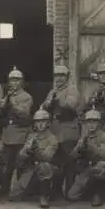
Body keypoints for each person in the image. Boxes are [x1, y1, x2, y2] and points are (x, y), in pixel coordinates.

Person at [41, 64, 83, 199]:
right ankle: (57, 191)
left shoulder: (72, 90)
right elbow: (43, 107)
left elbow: (70, 106)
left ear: (67, 77)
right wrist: (48, 103)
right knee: (56, 162)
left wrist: (56, 101)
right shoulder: (53, 91)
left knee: (69, 163)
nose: (59, 78)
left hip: (69, 129)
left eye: (62, 75)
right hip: (55, 130)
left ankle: (70, 192)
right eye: (57, 75)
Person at [0, 66, 33, 195]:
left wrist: (12, 104)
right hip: (7, 134)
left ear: (21, 82)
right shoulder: (7, 96)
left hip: (20, 134)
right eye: (12, 81)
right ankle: (4, 189)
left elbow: (24, 113)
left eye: (16, 80)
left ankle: (20, 191)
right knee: (6, 165)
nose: (14, 83)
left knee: (20, 163)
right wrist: (3, 104)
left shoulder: (26, 97)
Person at [10, 106, 59, 208]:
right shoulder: (31, 136)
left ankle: (44, 195)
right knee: (15, 196)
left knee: (44, 166)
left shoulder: (52, 138)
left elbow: (47, 157)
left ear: (48, 123)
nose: (40, 124)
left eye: (43, 121)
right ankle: (33, 190)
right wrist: (27, 150)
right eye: (38, 122)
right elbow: (21, 155)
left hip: (49, 170)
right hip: (33, 169)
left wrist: (36, 150)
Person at [66, 109, 105, 207]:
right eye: (89, 122)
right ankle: (92, 190)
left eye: (94, 121)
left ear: (99, 123)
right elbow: (72, 156)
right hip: (88, 170)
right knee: (72, 195)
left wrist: (91, 146)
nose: (91, 125)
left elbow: (104, 155)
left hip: (102, 168)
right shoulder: (84, 136)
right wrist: (79, 148)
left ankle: (98, 194)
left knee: (101, 166)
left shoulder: (104, 137)